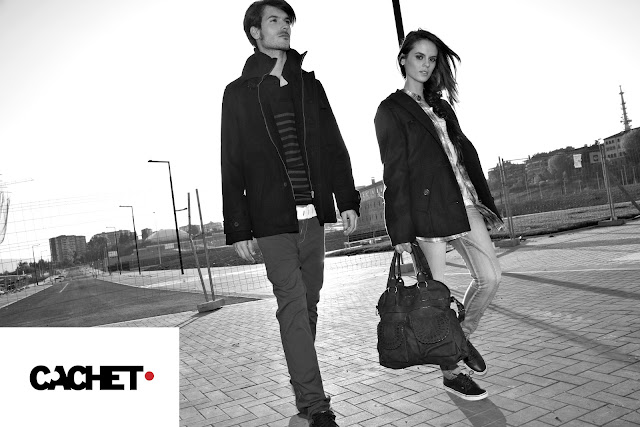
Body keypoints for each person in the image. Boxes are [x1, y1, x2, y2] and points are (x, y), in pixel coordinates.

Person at [220, 1, 360, 425]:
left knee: (309, 303)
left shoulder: (309, 86)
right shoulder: (238, 93)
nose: (284, 27)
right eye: (275, 21)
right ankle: (316, 406)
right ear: (255, 32)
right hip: (271, 220)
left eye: (287, 21)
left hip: (312, 217)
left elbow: (333, 144)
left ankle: (304, 388)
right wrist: (238, 228)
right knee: (293, 305)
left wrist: (347, 199)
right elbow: (231, 163)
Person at [374, 29, 503, 401]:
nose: (426, 65)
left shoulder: (441, 106)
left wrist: (483, 197)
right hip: (427, 212)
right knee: (436, 300)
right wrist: (399, 230)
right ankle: (451, 371)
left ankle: (458, 339)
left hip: (464, 203)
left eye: (432, 59)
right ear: (403, 59)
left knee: (491, 277)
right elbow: (394, 171)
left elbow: (462, 155)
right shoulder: (391, 109)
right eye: (419, 57)